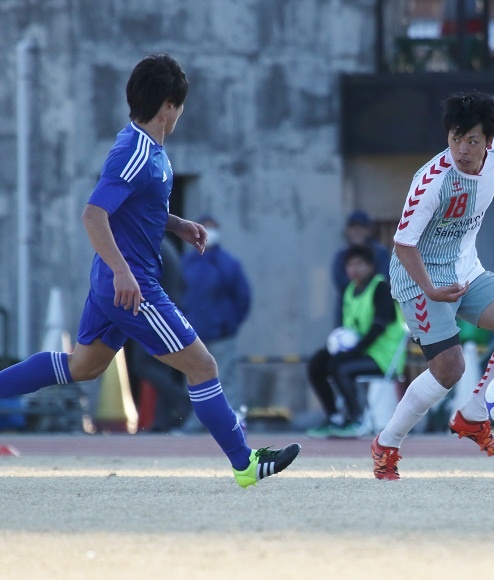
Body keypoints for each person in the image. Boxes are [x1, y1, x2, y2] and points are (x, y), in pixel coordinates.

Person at [0, 53, 299, 487]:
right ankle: (245, 463)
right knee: (203, 366)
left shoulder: (148, 149)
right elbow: (93, 215)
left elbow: (134, 208)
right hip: (132, 288)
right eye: (180, 106)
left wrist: (177, 225)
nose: (180, 114)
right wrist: (123, 273)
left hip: (115, 284)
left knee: (82, 367)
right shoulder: (137, 151)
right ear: (169, 107)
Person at [371, 90, 494, 480]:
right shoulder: (431, 182)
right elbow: (402, 245)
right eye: (455, 138)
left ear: (488, 141)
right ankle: (387, 443)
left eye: (472, 140)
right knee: (449, 368)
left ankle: (473, 417)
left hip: (466, 270)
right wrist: (431, 290)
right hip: (419, 278)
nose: (462, 149)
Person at [307, 245, 407, 439]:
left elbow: (378, 328)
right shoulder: (349, 291)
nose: (354, 269)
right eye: (350, 265)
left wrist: (353, 352)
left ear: (370, 266)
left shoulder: (381, 288)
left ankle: (355, 418)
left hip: (383, 357)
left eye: (359, 264)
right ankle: (334, 417)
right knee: (317, 363)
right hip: (362, 351)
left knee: (341, 368)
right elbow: (349, 330)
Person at [180, 215, 252, 432]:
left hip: (222, 335)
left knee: (226, 380)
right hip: (192, 336)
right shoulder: (186, 262)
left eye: (213, 229)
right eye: (205, 228)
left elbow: (243, 298)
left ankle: (233, 424)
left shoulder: (228, 264)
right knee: (193, 380)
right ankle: (195, 425)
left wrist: (228, 323)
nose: (209, 233)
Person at [126, 237, 191, 432]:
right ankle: (163, 420)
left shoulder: (152, 246)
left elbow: (145, 280)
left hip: (155, 312)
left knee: (143, 364)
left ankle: (182, 400)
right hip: (168, 310)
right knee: (163, 366)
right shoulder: (166, 245)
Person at [331, 210, 391, 325]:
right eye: (353, 228)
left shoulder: (380, 251)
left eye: (361, 228)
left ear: (369, 230)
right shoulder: (342, 253)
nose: (357, 232)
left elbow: (383, 280)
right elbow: (339, 281)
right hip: (347, 310)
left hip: (374, 309)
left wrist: (362, 282)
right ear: (347, 231)